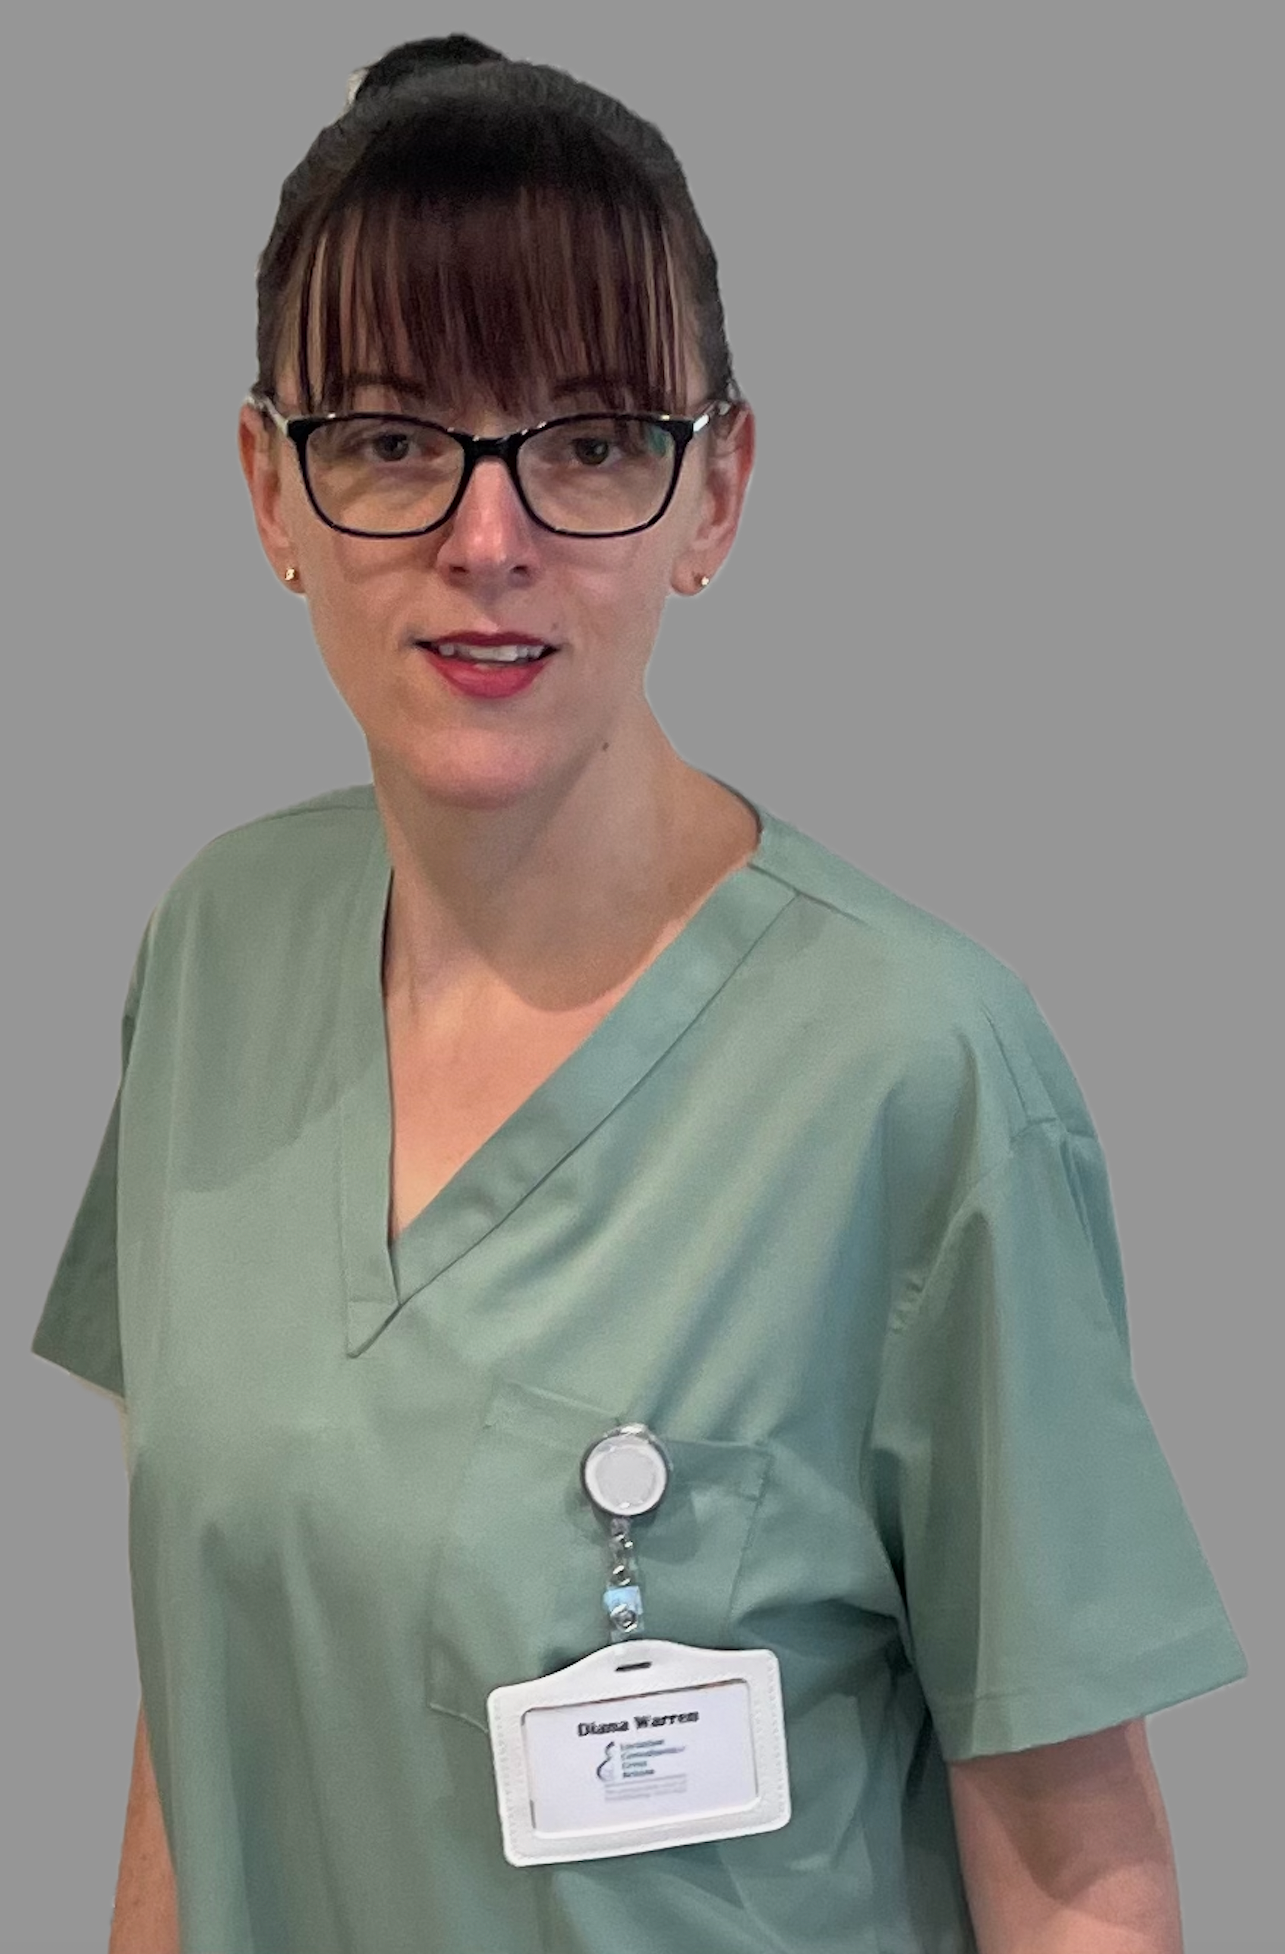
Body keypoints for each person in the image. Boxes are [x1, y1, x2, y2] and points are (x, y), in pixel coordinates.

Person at [33, 34, 1247, 1954]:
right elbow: (205, 1691)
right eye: (393, 437)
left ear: (719, 489)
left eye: (590, 438)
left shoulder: (914, 1071)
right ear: (271, 490)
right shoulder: (214, 954)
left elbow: (1081, 1875)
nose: (487, 537)